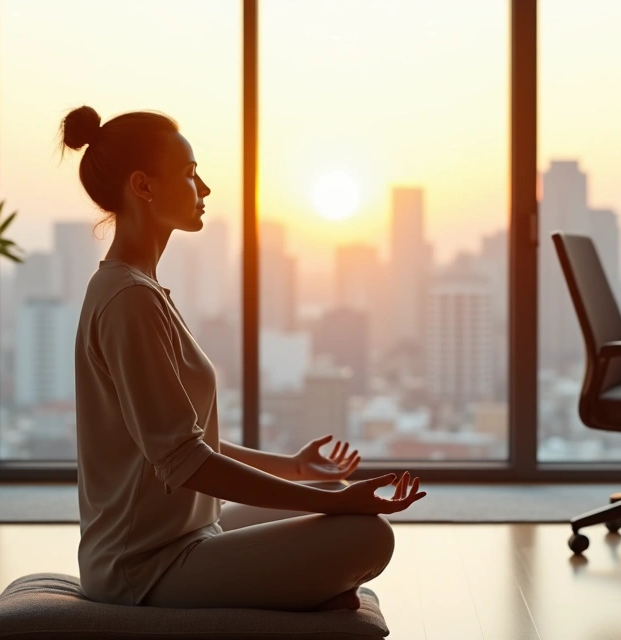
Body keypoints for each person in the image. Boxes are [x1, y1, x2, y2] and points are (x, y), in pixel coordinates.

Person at [61, 106, 426, 612]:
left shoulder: (141, 289)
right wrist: (333, 502)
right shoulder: (129, 300)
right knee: (368, 536)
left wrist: (296, 469)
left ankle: (300, 585)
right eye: (190, 175)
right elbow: (183, 459)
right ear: (143, 187)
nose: (204, 188)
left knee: (339, 497)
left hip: (189, 532)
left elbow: (184, 440)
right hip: (142, 568)